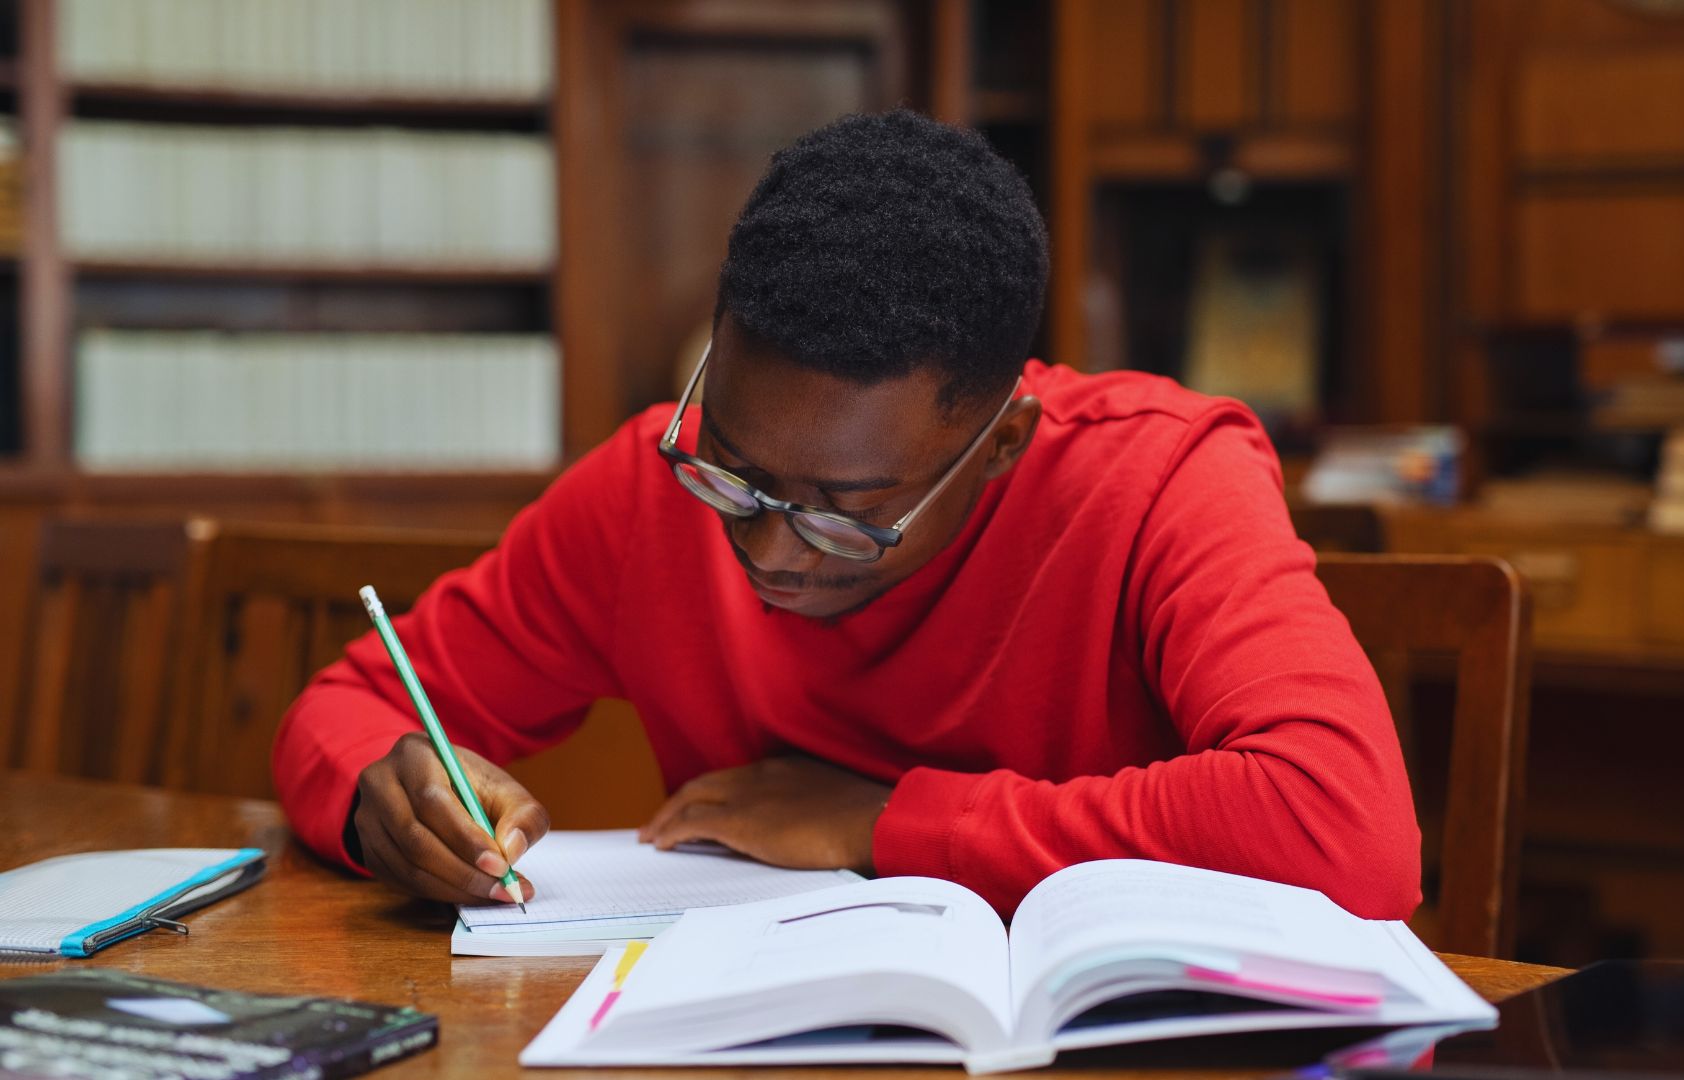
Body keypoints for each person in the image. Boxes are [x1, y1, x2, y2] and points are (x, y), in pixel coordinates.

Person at [272, 109, 1420, 919]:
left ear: (1001, 443)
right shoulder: (646, 492)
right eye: (731, 466)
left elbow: (1342, 825)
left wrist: (886, 826)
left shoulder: (1159, 477)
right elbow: (352, 706)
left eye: (848, 513)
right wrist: (384, 791)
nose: (767, 549)